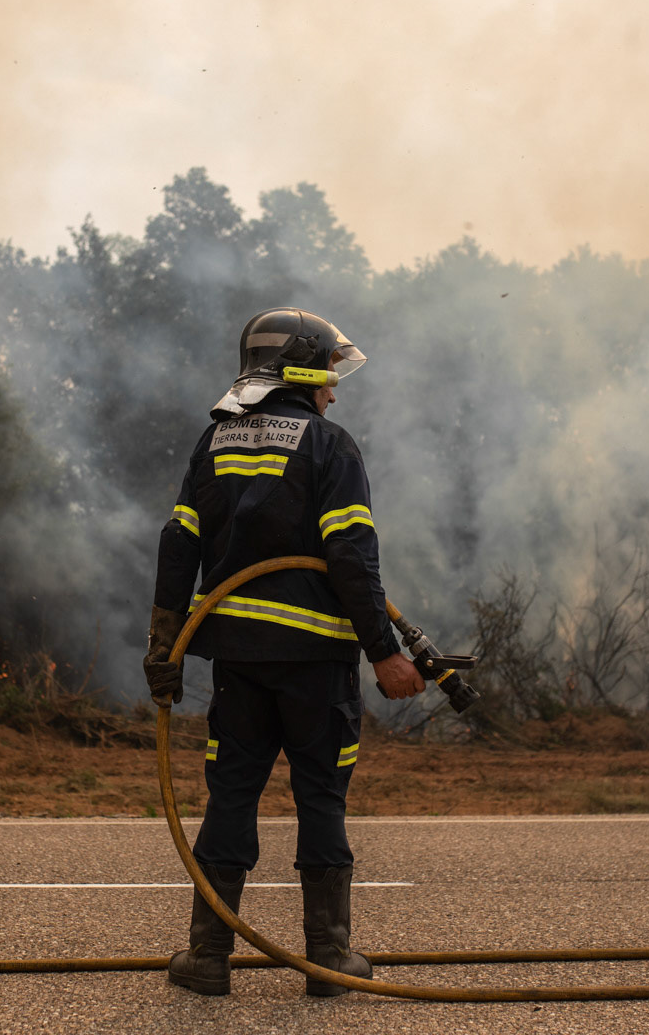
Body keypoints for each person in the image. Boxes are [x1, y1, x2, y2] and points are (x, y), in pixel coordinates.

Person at [143, 307, 424, 997]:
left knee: (230, 796)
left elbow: (178, 545)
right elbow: (351, 556)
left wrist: (164, 647)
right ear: (302, 370)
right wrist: (384, 653)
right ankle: (328, 959)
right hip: (315, 666)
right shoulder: (330, 445)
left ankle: (207, 958)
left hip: (238, 661)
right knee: (320, 797)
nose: (335, 387)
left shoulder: (214, 442)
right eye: (330, 372)